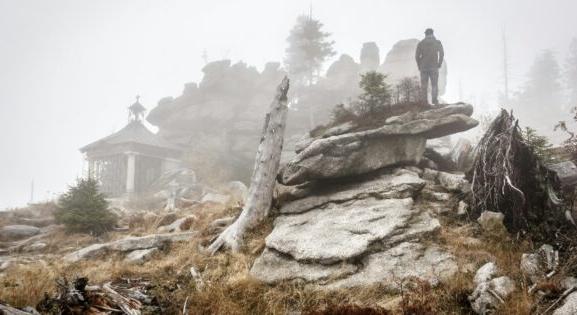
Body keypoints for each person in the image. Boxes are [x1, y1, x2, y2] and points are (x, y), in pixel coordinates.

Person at [415, 28, 444, 105]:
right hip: (434, 66)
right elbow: (441, 54)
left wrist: (419, 65)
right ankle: (434, 101)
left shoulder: (421, 43)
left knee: (424, 85)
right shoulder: (437, 42)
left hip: (423, 67)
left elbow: (417, 56)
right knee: (434, 84)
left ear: (425, 34)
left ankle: (424, 102)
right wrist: (439, 63)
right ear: (432, 33)